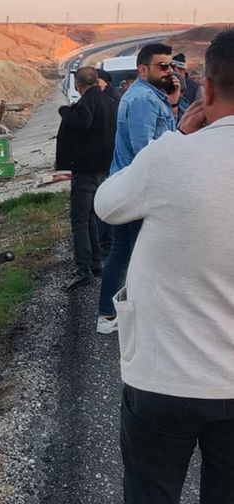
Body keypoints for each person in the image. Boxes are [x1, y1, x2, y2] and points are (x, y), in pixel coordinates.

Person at [94, 29, 234, 504]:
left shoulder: (172, 155)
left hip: (163, 379)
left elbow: (107, 205)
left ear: (206, 90)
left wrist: (173, 138)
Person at [96, 43, 177, 334]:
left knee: (127, 250)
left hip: (134, 184)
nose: (169, 71)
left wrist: (175, 102)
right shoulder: (143, 99)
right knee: (130, 251)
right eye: (162, 66)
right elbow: (146, 151)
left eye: (170, 65)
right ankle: (109, 314)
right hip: (139, 187)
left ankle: (113, 312)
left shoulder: (151, 95)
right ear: (143, 69)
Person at [57, 67, 119, 290]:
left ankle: (83, 269)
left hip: (86, 172)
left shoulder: (86, 103)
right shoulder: (110, 103)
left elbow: (82, 123)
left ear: (77, 85)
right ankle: (95, 263)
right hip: (105, 169)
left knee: (79, 220)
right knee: (92, 216)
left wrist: (64, 111)